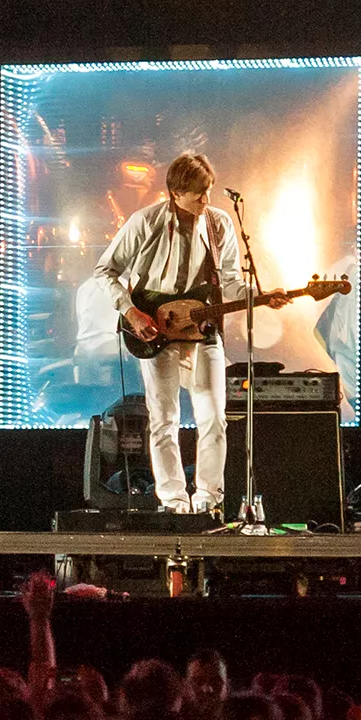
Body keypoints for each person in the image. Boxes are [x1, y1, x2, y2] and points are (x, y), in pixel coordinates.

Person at [96, 152, 246, 515]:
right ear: (176, 192)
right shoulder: (144, 222)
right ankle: (174, 500)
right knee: (164, 418)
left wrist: (265, 298)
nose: (205, 201)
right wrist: (131, 313)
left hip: (202, 328)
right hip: (153, 328)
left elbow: (231, 283)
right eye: (198, 194)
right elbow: (105, 271)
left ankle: (209, 499)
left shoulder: (219, 224)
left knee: (214, 415)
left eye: (208, 192)